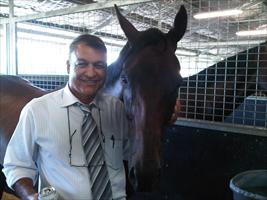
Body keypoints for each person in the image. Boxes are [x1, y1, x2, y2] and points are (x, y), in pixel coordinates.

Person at [3, 34, 180, 200]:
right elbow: (16, 166)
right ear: (67, 67)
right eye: (81, 64)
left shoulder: (117, 110)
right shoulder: (36, 110)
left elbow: (131, 151)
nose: (91, 73)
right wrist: (30, 196)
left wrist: (161, 117)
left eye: (99, 65)